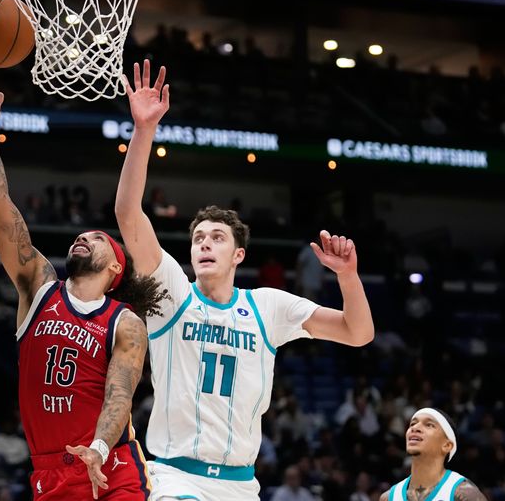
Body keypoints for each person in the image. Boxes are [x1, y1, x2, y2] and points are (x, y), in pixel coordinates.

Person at [114, 59, 375, 501]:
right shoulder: (171, 292)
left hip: (240, 484)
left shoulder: (267, 307)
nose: (204, 244)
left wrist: (348, 277)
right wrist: (143, 131)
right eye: (198, 237)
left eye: (217, 237)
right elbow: (127, 213)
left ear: (238, 254)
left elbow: (358, 333)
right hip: (175, 478)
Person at [0, 65, 165, 500]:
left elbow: (119, 393)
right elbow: (1, 206)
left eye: (96, 238)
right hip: (51, 474)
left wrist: (97, 449)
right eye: (82, 235)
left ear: (116, 268)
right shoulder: (38, 287)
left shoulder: (124, 321)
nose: (83, 237)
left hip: (112, 465)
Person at [380, 408, 485, 501]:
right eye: (412, 424)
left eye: (429, 425)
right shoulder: (389, 497)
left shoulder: (464, 493)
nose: (415, 428)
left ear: (447, 445)